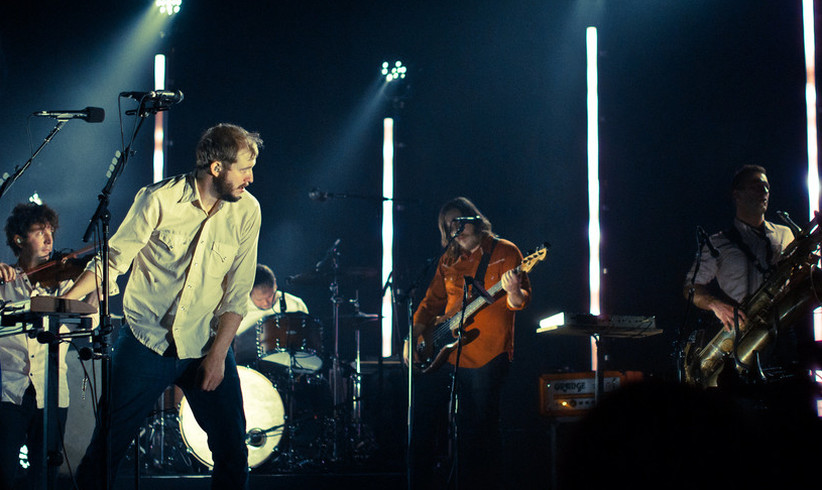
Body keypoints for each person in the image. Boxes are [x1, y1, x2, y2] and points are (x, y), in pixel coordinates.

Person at [64, 123, 262, 489]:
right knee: (106, 448)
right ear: (216, 167)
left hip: (206, 344)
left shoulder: (248, 210)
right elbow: (113, 260)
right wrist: (65, 301)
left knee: (233, 451)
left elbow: (238, 292)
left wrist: (218, 355)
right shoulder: (157, 199)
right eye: (245, 168)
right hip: (145, 341)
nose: (250, 178)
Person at [405, 196, 531, 490]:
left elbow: (519, 301)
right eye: (449, 225)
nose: (456, 229)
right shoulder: (448, 259)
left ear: (475, 220)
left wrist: (513, 291)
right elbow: (430, 302)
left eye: (460, 222)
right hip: (446, 352)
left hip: (488, 353)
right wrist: (412, 337)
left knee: (480, 430)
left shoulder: (505, 251)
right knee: (425, 423)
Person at [0, 202, 96, 489]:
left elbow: (89, 323)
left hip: (53, 393)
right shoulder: (3, 283)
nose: (49, 239)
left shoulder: (65, 286)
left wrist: (98, 284)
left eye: (51, 231)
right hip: (8, 393)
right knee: (3, 473)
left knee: (45, 478)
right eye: (39, 231)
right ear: (19, 239)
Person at [684, 165, 796, 375]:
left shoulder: (785, 234)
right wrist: (716, 305)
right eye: (757, 186)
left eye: (767, 187)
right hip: (741, 334)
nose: (764, 192)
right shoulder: (717, 243)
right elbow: (690, 287)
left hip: (782, 331)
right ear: (737, 195)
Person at [233, 263, 310, 366]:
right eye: (260, 299)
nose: (266, 302)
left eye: (270, 296)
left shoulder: (295, 305)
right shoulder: (237, 310)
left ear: (275, 285)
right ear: (249, 292)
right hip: (247, 367)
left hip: (287, 365)